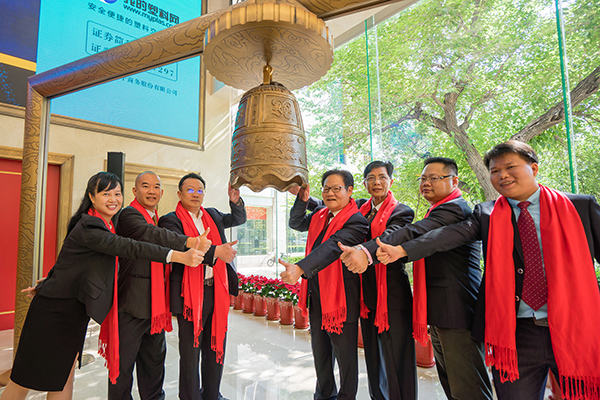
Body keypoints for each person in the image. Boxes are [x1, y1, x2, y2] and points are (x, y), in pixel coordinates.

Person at [376, 141, 600, 400]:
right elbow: (449, 235)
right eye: (495, 171)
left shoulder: (579, 207)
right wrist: (402, 251)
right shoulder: (487, 213)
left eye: (510, 167)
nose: (502, 175)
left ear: (534, 168)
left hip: (576, 328)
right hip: (515, 334)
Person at [0, 172, 204, 400]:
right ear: (91, 196)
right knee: (24, 379)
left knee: (63, 377)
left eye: (117, 193)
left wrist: (50, 280)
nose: (113, 199)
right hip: (54, 313)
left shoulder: (104, 224)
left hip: (74, 311)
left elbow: (70, 261)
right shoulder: (90, 225)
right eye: (106, 194)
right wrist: (180, 255)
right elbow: (132, 247)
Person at [343, 157, 492, 400]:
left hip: (457, 311)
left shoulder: (455, 209)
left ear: (454, 181)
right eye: (423, 178)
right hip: (440, 312)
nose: (426, 183)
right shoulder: (437, 209)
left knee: (468, 388)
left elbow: (415, 232)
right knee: (453, 385)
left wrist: (367, 252)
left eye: (434, 178)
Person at [308, 161, 417, 400]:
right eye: (371, 178)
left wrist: (363, 252)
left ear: (391, 181)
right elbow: (332, 203)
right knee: (373, 357)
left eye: (382, 177)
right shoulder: (360, 208)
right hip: (365, 294)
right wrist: (303, 195)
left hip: (391, 292)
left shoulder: (402, 211)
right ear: (364, 183)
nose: (376, 182)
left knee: (396, 357)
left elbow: (389, 237)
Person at [109, 172, 210, 400]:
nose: (152, 191)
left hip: (156, 308)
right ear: (135, 191)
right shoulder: (129, 215)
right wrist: (190, 241)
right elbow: (153, 236)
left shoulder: (155, 217)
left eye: (156, 187)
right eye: (146, 186)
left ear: (162, 193)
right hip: (131, 305)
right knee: (122, 369)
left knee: (154, 367)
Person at [281, 169, 369, 400]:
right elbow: (296, 222)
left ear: (350, 190)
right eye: (326, 189)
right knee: (321, 354)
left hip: (341, 298)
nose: (330, 193)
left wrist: (300, 268)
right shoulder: (320, 215)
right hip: (317, 294)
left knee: (345, 358)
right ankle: (324, 395)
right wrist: (302, 199)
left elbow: (332, 247)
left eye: (336, 188)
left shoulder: (357, 221)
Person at [158, 173, 246, 400]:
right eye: (190, 190)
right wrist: (217, 251)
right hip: (188, 294)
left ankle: (212, 394)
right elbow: (181, 246)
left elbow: (238, 219)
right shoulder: (170, 221)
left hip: (216, 290)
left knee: (215, 346)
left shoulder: (213, 215)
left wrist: (236, 201)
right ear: (179, 194)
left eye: (199, 190)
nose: (195, 194)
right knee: (190, 352)